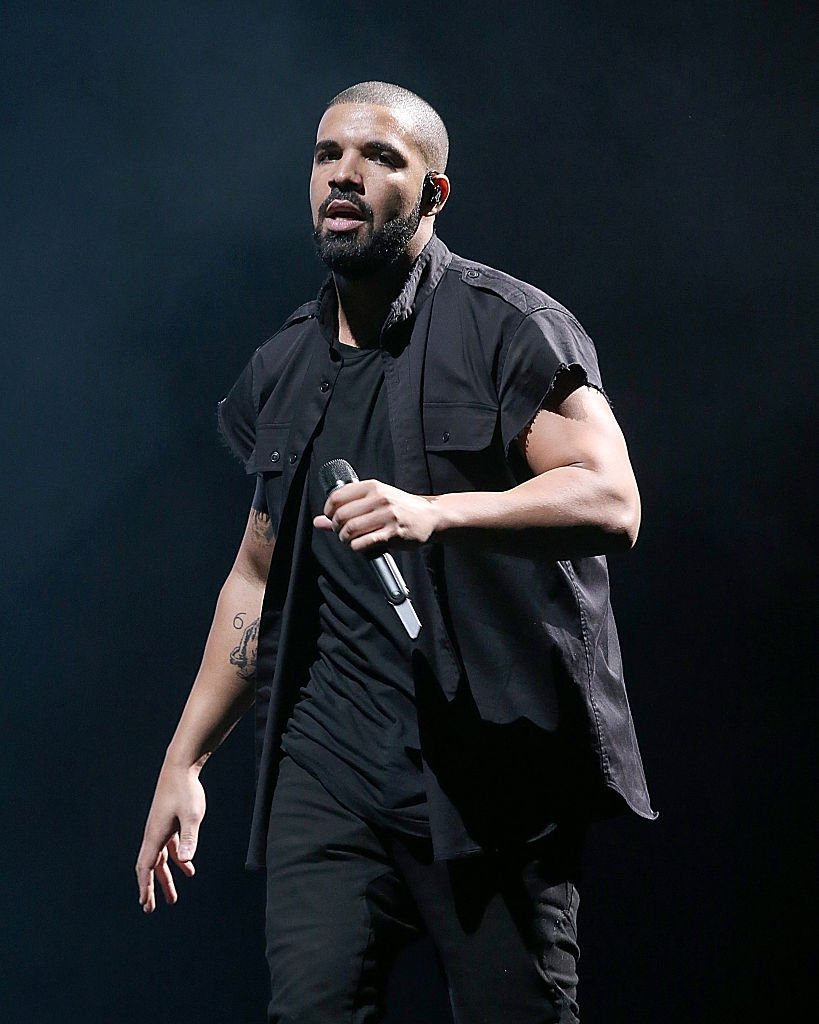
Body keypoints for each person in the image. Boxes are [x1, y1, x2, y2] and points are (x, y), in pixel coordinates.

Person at [136, 81, 655, 1023]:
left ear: (432, 194)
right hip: (327, 775)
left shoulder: (506, 326)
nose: (344, 175)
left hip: (489, 774)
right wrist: (184, 764)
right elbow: (255, 578)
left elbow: (611, 497)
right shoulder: (283, 366)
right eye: (328, 155)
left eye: (380, 159)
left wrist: (439, 513)